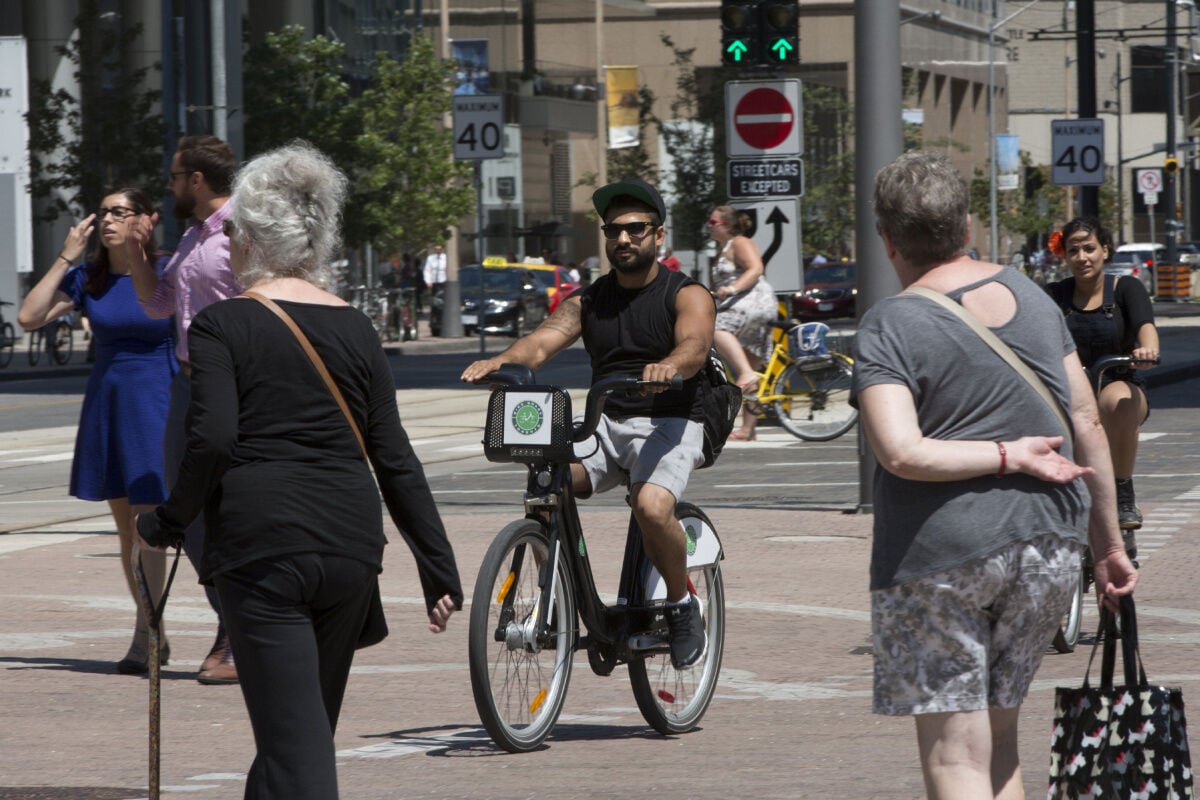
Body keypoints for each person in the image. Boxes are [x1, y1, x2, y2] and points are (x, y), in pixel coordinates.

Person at [134, 143, 462, 799]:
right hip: (349, 550)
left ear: (249, 235)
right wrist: (437, 565)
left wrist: (172, 519)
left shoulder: (223, 324)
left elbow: (215, 436)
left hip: (264, 551)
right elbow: (394, 454)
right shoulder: (357, 327)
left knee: (296, 753)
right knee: (296, 742)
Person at [852, 152, 1137, 799]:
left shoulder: (890, 324)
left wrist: (1006, 454)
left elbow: (900, 451)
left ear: (888, 238)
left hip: (939, 555)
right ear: (968, 226)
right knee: (1001, 747)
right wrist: (1110, 546)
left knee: (957, 758)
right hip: (1047, 547)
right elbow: (1087, 421)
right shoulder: (1035, 301)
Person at [460, 177, 714, 669]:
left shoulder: (686, 294)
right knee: (546, 480)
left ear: (658, 235)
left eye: (635, 229)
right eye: (613, 230)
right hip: (606, 420)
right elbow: (540, 342)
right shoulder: (589, 301)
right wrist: (503, 363)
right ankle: (555, 594)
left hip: (671, 419)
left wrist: (670, 367)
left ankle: (683, 606)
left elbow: (695, 347)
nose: (623, 239)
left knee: (651, 504)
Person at [17, 188, 176, 675]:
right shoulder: (90, 277)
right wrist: (66, 256)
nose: (108, 220)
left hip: (158, 401)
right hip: (109, 404)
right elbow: (29, 316)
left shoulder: (168, 269)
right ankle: (150, 632)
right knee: (128, 529)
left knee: (152, 526)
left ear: (144, 220)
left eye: (120, 212)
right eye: (104, 212)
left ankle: (151, 633)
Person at [129, 134, 243, 685]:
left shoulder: (244, 233)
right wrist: (137, 251)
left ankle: (242, 629)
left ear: (197, 181)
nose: (170, 185)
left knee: (236, 504)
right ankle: (233, 619)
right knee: (187, 509)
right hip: (187, 385)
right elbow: (156, 304)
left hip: (236, 387)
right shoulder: (193, 237)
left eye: (176, 177)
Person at [1046, 217, 1159, 553]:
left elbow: (1146, 326)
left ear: (1105, 250)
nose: (1082, 257)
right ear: (1065, 256)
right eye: (1074, 250)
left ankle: (1123, 493)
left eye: (1090, 248)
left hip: (1121, 385)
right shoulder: (1053, 296)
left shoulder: (1126, 288)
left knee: (1116, 400)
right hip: (1071, 395)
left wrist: (1147, 350)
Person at [707, 205, 777, 441]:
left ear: (726, 225)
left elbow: (756, 268)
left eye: (712, 222)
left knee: (717, 329)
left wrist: (732, 288)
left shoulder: (740, 242)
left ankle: (746, 374)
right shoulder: (724, 248)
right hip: (744, 304)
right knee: (749, 372)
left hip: (753, 302)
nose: (709, 225)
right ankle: (748, 430)